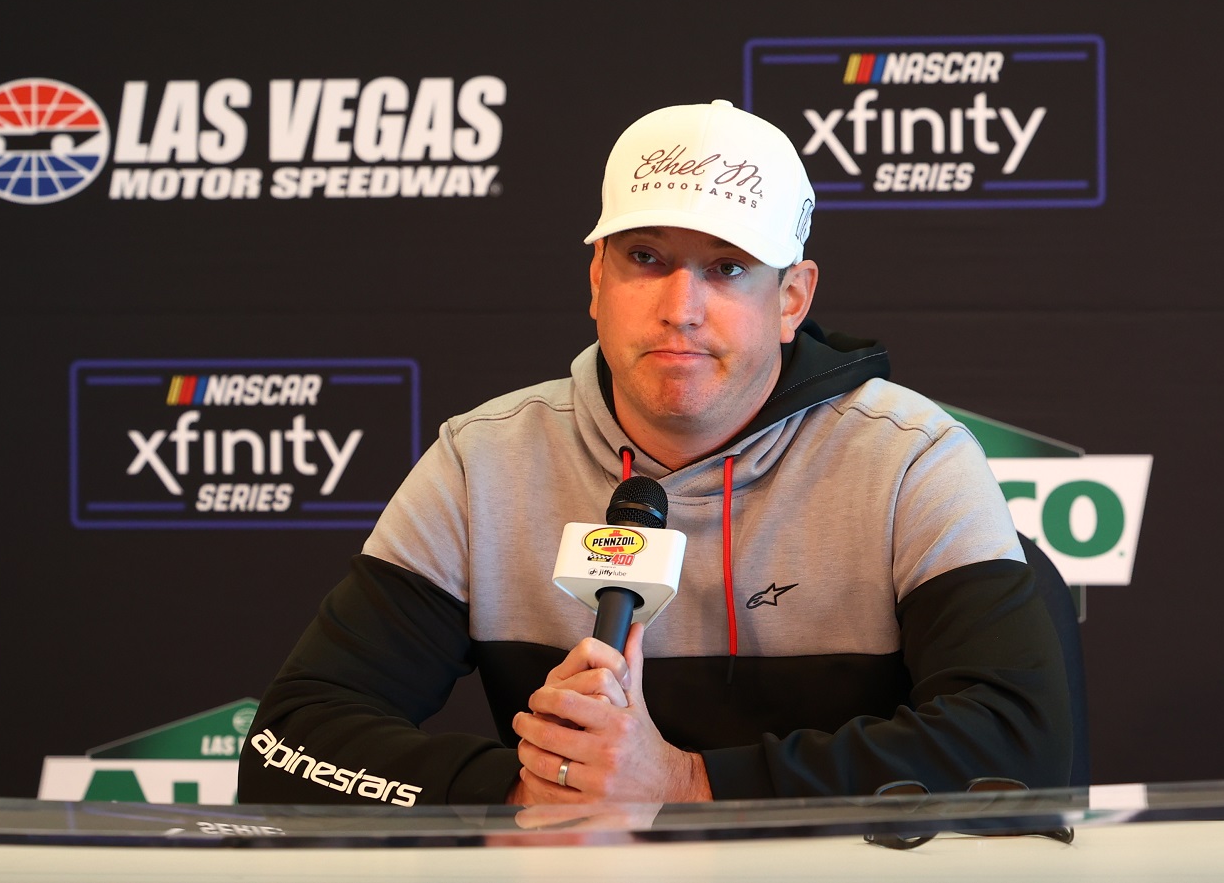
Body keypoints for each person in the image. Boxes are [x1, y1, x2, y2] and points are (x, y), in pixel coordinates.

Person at [239, 99, 1072, 808]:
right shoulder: (482, 462)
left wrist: (683, 782)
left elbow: (1017, 750)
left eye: (727, 268)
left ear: (792, 298)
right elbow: (286, 743)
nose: (682, 307)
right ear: (596, 278)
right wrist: (536, 788)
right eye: (647, 258)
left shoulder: (909, 460)